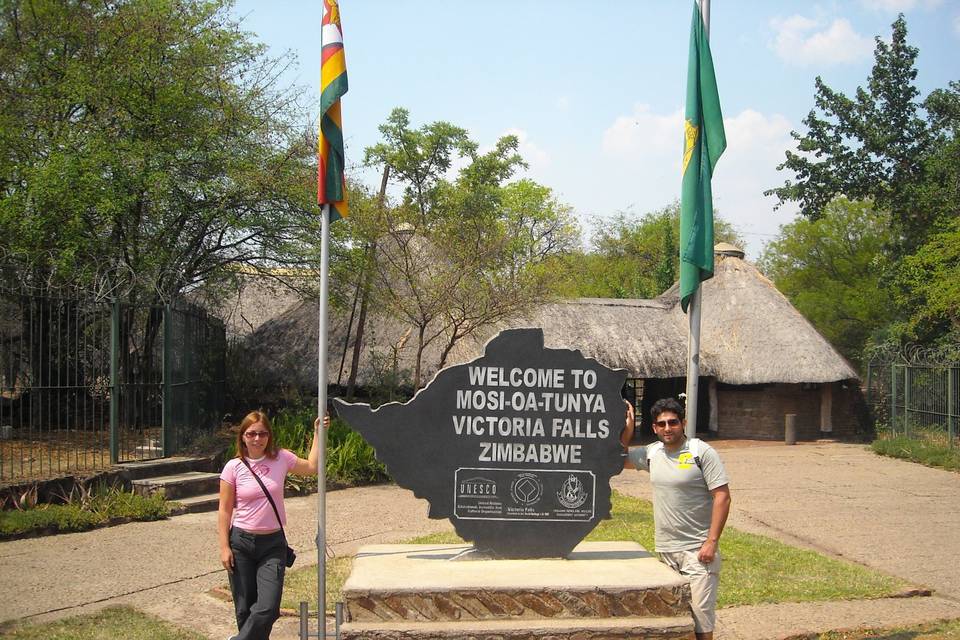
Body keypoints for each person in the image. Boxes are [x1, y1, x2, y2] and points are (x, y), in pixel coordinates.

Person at [622, 397, 731, 640]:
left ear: (682, 423)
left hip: (697, 552)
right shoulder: (652, 453)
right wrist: (628, 430)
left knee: (701, 622)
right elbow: (616, 460)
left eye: (673, 422)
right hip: (666, 551)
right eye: (661, 424)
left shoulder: (700, 452)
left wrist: (711, 542)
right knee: (674, 622)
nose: (667, 428)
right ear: (654, 428)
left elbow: (722, 497)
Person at [218, 410, 328, 640]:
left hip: (272, 544)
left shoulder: (281, 458)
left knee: (268, 608)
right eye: (252, 433)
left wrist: (318, 433)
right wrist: (224, 547)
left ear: (269, 435)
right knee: (245, 608)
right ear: (243, 437)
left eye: (262, 433)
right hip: (241, 543)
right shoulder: (233, 467)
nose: (257, 439)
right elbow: (225, 509)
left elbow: (311, 467)